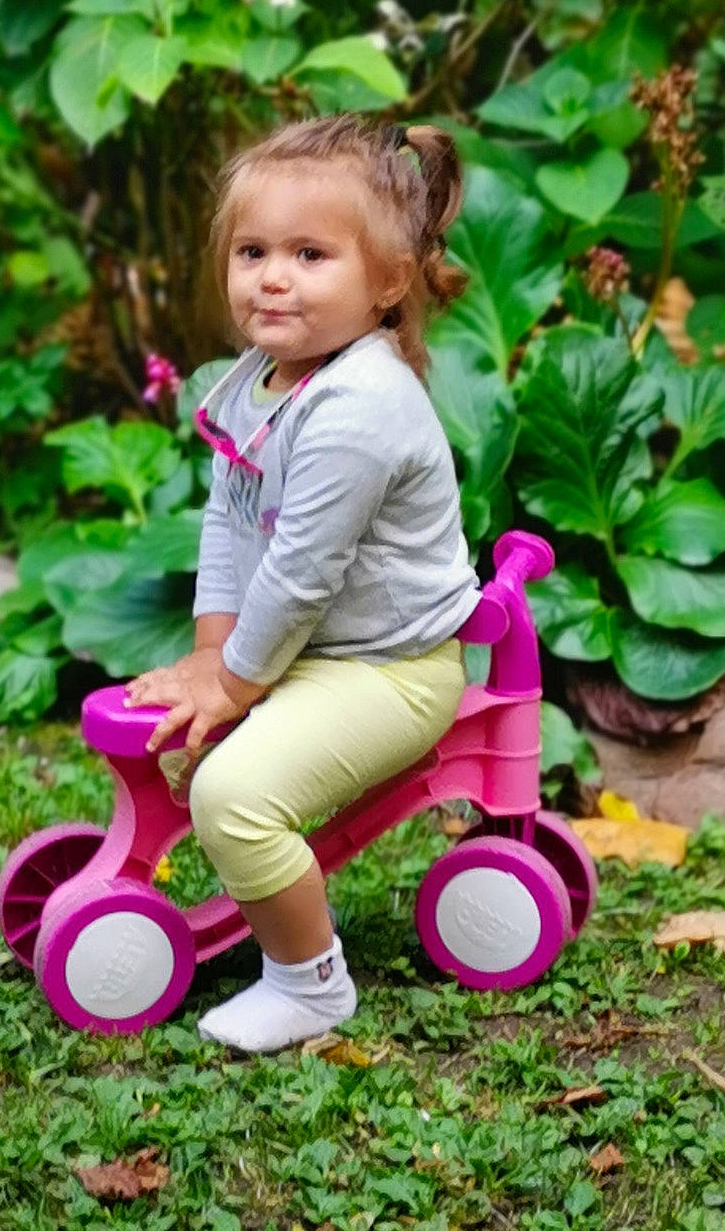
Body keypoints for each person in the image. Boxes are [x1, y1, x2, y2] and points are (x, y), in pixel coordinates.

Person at [123, 113, 481, 1053]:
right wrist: (211, 656)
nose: (272, 275)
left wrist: (235, 683)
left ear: (388, 283)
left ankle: (309, 981)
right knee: (180, 742)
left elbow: (298, 574)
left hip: (391, 668)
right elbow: (232, 519)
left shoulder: (360, 408)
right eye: (252, 251)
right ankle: (216, 881)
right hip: (312, 648)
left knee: (234, 793)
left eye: (311, 254)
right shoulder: (260, 380)